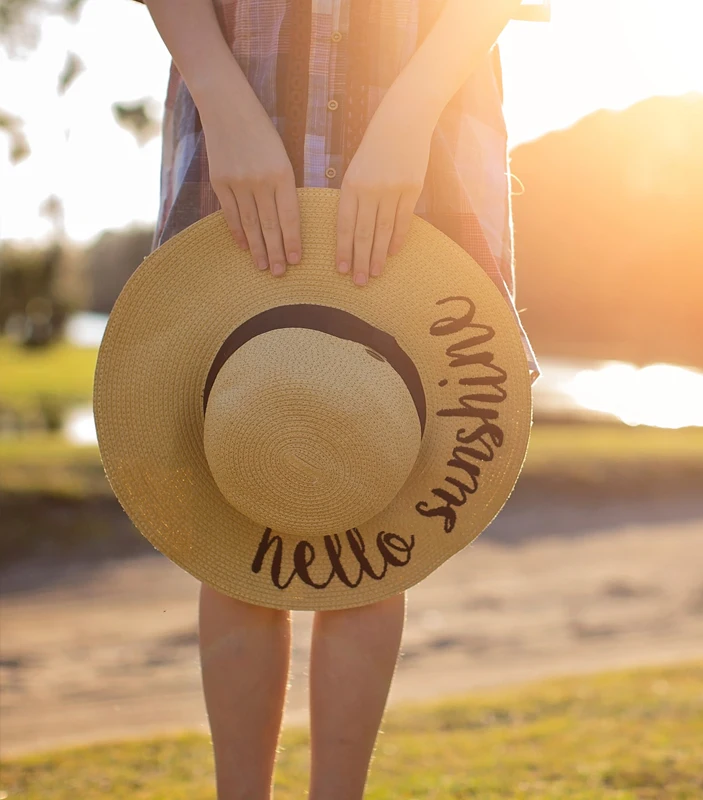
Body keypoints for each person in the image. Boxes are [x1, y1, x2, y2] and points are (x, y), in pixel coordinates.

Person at [138, 1, 538, 797]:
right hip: (242, 112)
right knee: (240, 479)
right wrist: (223, 102)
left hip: (424, 124)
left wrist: (407, 118)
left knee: (373, 489)